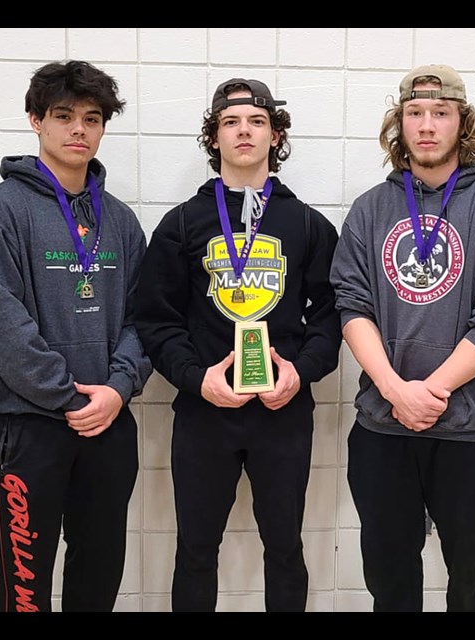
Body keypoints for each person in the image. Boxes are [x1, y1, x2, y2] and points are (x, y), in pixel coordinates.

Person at [329, 64, 475, 612]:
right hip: (383, 427)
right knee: (391, 581)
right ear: (400, 123)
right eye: (414, 113)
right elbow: (352, 306)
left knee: (472, 581)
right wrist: (397, 391)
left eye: (440, 113)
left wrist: (428, 392)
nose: (426, 125)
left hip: (465, 430)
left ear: (461, 123)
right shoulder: (371, 209)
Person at [134, 78, 341, 611]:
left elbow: (332, 316)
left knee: (286, 548)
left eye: (256, 122)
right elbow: (156, 320)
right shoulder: (181, 224)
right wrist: (196, 378)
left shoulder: (308, 225)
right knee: (196, 549)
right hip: (206, 412)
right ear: (215, 138)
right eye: (230, 122)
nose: (243, 131)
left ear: (275, 135)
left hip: (283, 411)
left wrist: (302, 371)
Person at [0, 60, 151, 612]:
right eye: (63, 116)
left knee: (99, 570)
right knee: (23, 584)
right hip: (30, 426)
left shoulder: (120, 221)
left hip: (110, 421)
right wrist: (70, 396)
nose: (79, 130)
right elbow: (1, 324)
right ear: (35, 121)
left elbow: (143, 317)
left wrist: (117, 388)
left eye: (92, 119)